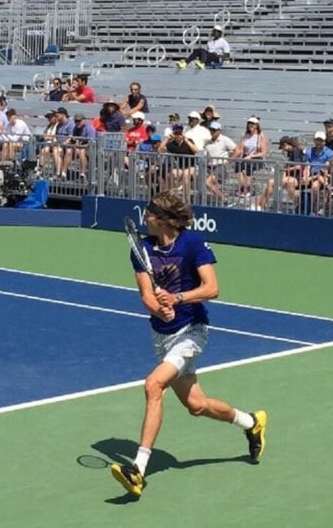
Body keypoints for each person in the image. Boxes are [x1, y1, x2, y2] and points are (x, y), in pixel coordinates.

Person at [110, 190, 267, 497]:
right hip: (161, 336)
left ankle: (138, 470)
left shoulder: (192, 244)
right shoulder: (141, 248)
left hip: (192, 331)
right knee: (197, 406)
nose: (145, 216)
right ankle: (251, 422)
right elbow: (146, 295)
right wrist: (159, 309)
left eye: (150, 212)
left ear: (164, 219)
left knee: (153, 385)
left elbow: (212, 288)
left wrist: (178, 299)